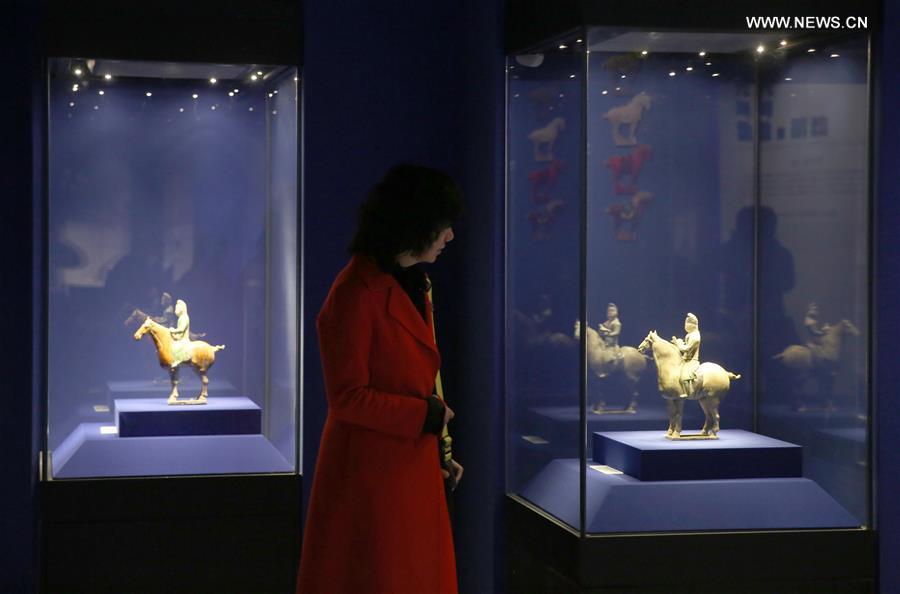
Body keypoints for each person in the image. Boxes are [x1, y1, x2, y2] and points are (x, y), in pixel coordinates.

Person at [297, 164, 464, 594]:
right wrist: (425, 417)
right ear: (416, 222)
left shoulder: (411, 283)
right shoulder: (355, 293)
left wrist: (437, 449)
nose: (450, 236)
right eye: (443, 225)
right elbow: (348, 398)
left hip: (406, 468)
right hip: (371, 481)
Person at [673, 313, 701, 398]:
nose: (685, 326)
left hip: (692, 360)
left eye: (687, 324)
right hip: (685, 359)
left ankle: (689, 392)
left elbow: (686, 349)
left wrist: (678, 343)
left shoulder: (695, 337)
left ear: (693, 325)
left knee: (684, 375)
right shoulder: (689, 335)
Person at [168, 299, 192, 369]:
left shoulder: (185, 318)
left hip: (184, 339)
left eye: (177, 308)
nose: (176, 310)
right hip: (179, 337)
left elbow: (181, 329)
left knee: (176, 347)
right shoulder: (180, 318)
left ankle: (178, 360)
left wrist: (173, 330)